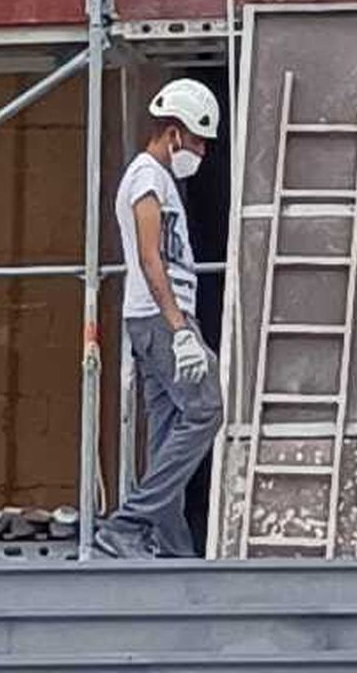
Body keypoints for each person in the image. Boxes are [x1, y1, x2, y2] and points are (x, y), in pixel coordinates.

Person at [98, 76, 222, 561]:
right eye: (197, 141)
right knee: (207, 408)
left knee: (169, 431)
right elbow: (152, 259)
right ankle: (128, 522)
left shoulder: (157, 178)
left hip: (155, 319)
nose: (201, 152)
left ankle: (171, 547)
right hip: (161, 319)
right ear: (173, 133)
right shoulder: (147, 177)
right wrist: (180, 330)